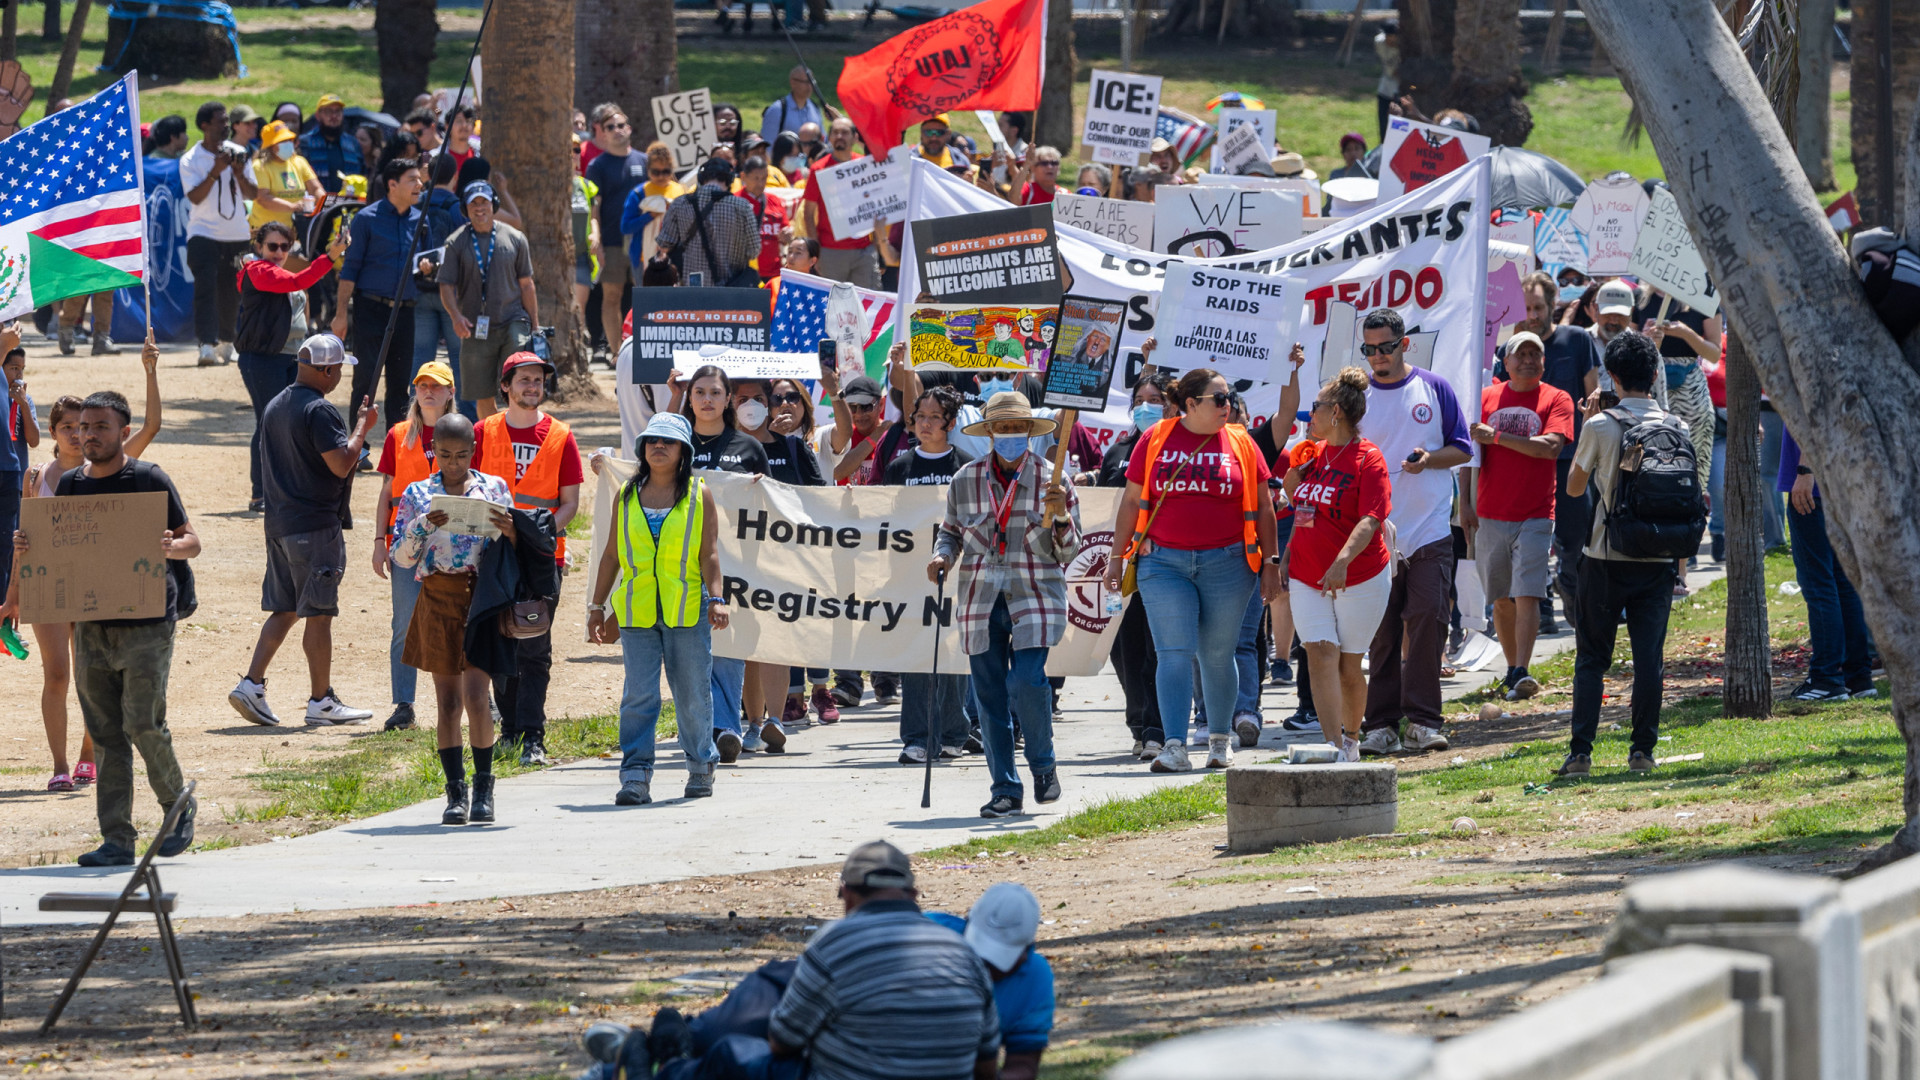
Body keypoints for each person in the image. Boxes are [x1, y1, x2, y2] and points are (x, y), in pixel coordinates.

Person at [7, 390, 202, 866]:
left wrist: (171, 548)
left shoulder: (148, 478)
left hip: (147, 623)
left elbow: (191, 540)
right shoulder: (71, 485)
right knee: (105, 730)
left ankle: (178, 810)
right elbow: (57, 551)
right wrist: (29, 545)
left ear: (123, 431)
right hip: (92, 624)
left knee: (141, 722)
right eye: (83, 427)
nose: (89, 435)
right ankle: (117, 839)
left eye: (100, 427)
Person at [1102, 367, 1281, 773]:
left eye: (1230, 398)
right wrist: (1116, 557)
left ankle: (1219, 739)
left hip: (1229, 564)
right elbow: (1131, 502)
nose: (1228, 405)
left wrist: (1271, 564)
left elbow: (1265, 506)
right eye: (1218, 399)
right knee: (1173, 654)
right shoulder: (1156, 438)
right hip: (1163, 563)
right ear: (1189, 404)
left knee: (1217, 654)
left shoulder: (1241, 442)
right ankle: (1174, 746)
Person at [5, 345, 162, 794]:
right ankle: (58, 766)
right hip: (49, 586)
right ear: (52, 432)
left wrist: (149, 370)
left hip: (96, 585)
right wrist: (13, 593)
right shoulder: (35, 478)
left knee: (92, 677)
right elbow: (26, 540)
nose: (77, 434)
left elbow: (151, 426)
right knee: (56, 674)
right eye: (67, 428)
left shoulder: (108, 467)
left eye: (82, 427)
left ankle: (87, 757)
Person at [930, 393, 1081, 818]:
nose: (1011, 435)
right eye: (1003, 428)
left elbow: (1070, 552)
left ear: (1029, 432)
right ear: (990, 432)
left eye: (1018, 428)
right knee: (989, 697)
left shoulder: (1055, 480)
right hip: (980, 598)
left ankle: (1044, 765)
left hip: (1035, 595)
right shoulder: (964, 478)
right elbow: (951, 533)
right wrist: (942, 556)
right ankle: (1004, 789)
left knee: (1028, 681)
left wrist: (1062, 517)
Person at [229, 334, 380, 728]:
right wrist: (362, 427)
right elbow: (342, 463)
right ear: (327, 370)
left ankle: (252, 683)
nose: (340, 377)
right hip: (315, 528)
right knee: (319, 614)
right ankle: (321, 701)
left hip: (279, 525)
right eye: (340, 370)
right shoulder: (320, 410)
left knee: (285, 608)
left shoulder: (276, 404)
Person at [588, 413, 727, 805]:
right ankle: (635, 776)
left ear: (683, 450)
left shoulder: (701, 494)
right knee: (639, 696)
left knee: (693, 695)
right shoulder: (627, 496)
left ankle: (701, 767)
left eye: (668, 442)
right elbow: (612, 554)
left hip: (688, 612)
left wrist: (717, 598)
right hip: (637, 613)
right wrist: (596, 607)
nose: (658, 447)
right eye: (651, 441)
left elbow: (710, 554)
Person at [1562, 331, 1681, 777]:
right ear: (1654, 375)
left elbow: (1575, 488)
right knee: (1649, 657)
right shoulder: (1676, 425)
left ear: (1611, 376)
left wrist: (1590, 426)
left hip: (1606, 554)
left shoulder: (1599, 425)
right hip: (1659, 555)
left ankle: (1581, 754)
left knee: (1593, 657)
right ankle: (1642, 752)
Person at [1356, 309, 1471, 756]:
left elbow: (1461, 448)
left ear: (1405, 344)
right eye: (1369, 349)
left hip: (1429, 532)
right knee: (1381, 633)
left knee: (1427, 621)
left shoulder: (1434, 387)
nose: (1378, 356)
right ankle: (1380, 724)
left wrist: (1428, 459)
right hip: (1373, 533)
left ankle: (1423, 721)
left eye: (1386, 347)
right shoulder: (1357, 393)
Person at [389, 413, 514, 825]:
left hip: (480, 598)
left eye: (462, 455)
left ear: (473, 451)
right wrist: (423, 527)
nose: (454, 463)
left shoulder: (492, 488)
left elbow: (514, 546)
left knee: (478, 695)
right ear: (434, 452)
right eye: (445, 455)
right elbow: (402, 557)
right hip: (439, 596)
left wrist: (508, 528)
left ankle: (484, 787)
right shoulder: (417, 494)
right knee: (447, 702)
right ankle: (454, 792)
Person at [474, 353, 582, 765]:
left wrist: (538, 534)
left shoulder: (561, 435)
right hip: (494, 556)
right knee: (501, 642)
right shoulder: (483, 431)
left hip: (542, 558)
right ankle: (510, 731)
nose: (532, 386)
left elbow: (570, 503)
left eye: (537, 380)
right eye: (524, 380)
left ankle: (532, 736)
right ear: (506, 385)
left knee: (535, 646)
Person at [1281, 368, 1393, 763]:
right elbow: (1305, 512)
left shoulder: (1368, 458)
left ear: (1337, 414)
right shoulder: (1313, 456)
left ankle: (1351, 738)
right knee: (1319, 652)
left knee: (1348, 662)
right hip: (1307, 574)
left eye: (1315, 408)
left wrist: (1343, 560)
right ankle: (1331, 749)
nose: (1309, 415)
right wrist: (1292, 548)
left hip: (1359, 575)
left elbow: (1371, 519)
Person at [1465, 330, 1573, 702]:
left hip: (1536, 512)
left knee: (1527, 591)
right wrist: (1464, 505)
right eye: (1520, 354)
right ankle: (1512, 670)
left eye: (1535, 354)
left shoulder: (1557, 398)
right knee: (1500, 598)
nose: (1528, 359)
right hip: (1490, 513)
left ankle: (1523, 669)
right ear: (1505, 362)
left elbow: (1550, 448)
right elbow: (1469, 456)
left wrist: (1495, 437)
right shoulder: (1484, 398)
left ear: (1543, 362)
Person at [1498, 272, 1602, 631]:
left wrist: (1595, 435)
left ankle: (1569, 584)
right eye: (1525, 307)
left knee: (1574, 537)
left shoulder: (1575, 341)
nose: (1531, 314)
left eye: (1538, 307)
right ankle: (1539, 609)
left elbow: (1594, 394)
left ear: (1553, 305)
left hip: (1570, 460)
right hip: (1523, 462)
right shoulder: (1508, 350)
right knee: (1530, 541)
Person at [672, 365, 767, 759]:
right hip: (679, 561)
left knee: (726, 644)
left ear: (729, 399)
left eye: (715, 392)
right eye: (699, 392)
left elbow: (770, 509)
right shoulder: (674, 445)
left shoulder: (748, 447)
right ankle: (705, 725)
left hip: (734, 564)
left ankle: (724, 727)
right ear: (689, 398)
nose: (707, 399)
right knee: (687, 650)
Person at [888, 386, 974, 765]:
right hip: (910, 577)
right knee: (917, 658)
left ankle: (955, 732)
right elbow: (884, 522)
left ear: (950, 423)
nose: (924, 424)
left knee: (954, 658)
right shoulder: (900, 467)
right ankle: (917, 737)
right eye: (919, 416)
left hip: (957, 577)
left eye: (934, 418)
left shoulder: (966, 467)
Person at [237, 220, 346, 512]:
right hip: (262, 359)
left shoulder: (282, 270)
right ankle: (260, 493)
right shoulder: (256, 270)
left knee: (290, 423)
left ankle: (284, 489)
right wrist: (331, 256)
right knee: (269, 422)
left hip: (290, 357)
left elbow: (300, 295)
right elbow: (299, 282)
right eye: (272, 246)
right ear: (258, 247)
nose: (279, 252)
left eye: (285, 247)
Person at [373, 362, 458, 732]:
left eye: (437, 386)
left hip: (455, 545)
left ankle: (478, 697)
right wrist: (380, 541)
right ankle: (404, 705)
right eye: (422, 385)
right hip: (407, 544)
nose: (428, 391)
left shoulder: (464, 432)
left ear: (450, 392)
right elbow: (385, 494)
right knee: (404, 626)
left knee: (460, 622)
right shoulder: (398, 434)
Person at [1100, 372, 1174, 759]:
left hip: (1162, 561)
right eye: (1140, 398)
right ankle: (1139, 720)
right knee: (1123, 648)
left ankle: (1156, 727)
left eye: (1155, 398)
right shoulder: (1116, 453)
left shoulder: (1176, 449)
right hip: (1121, 566)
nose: (1146, 405)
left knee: (1156, 649)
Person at [760, 376, 839, 729]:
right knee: (783, 620)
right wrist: (769, 436)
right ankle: (793, 695)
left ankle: (822, 689)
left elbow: (820, 492)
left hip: (805, 549)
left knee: (812, 619)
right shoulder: (753, 445)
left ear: (805, 404)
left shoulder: (799, 447)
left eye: (793, 397)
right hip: (767, 550)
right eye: (777, 399)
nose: (785, 404)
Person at [1779, 428, 1875, 702]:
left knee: (1820, 583)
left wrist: (1807, 470)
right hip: (1843, 482)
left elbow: (1817, 414)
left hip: (1816, 484)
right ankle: (1857, 676)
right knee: (1842, 582)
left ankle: (1826, 678)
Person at [334, 156, 426, 433]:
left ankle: (397, 451)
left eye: (420, 179)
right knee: (365, 381)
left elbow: (427, 264)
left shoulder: (422, 219)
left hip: (406, 311)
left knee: (400, 384)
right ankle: (356, 447)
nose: (420, 184)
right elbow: (350, 270)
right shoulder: (366, 219)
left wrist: (428, 267)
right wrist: (340, 315)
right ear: (392, 184)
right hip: (370, 309)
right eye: (412, 179)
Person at [438, 181, 537, 418]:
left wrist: (535, 324)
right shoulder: (456, 242)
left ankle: (519, 434)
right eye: (474, 203)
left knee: (519, 384)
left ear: (494, 205)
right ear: (465, 208)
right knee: (483, 394)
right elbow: (446, 285)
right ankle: (492, 442)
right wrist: (456, 316)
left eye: (484, 202)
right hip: (475, 327)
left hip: (513, 319)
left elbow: (526, 284)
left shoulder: (515, 238)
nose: (480, 208)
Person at [181, 100, 260, 368]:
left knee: (232, 291)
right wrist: (215, 172)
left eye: (227, 121)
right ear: (205, 125)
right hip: (203, 234)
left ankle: (228, 342)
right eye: (221, 121)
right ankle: (206, 344)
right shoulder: (191, 159)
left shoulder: (239, 153)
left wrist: (238, 173)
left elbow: (252, 194)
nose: (226, 126)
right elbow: (194, 196)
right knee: (205, 289)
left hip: (236, 233)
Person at [585, 104, 648, 352]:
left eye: (621, 125)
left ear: (629, 128)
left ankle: (644, 350)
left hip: (643, 243)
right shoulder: (597, 166)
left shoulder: (645, 161)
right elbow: (594, 208)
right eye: (610, 127)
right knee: (611, 297)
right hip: (611, 242)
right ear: (603, 132)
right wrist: (596, 236)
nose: (617, 130)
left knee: (644, 298)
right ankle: (616, 352)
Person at [415, 152, 469, 409]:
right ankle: (463, 416)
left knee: (421, 358)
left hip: (419, 289)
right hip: (453, 294)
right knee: (460, 359)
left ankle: (416, 414)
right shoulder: (458, 208)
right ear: (455, 177)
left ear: (427, 175)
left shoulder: (417, 204)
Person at [799, 119, 878, 288]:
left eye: (844, 132)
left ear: (855, 137)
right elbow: (808, 213)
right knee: (833, 308)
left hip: (864, 252)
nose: (839, 136)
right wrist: (817, 252)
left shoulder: (865, 165)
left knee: (866, 306)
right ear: (829, 137)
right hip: (830, 252)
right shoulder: (819, 169)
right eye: (835, 132)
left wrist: (878, 247)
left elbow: (876, 207)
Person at [656, 158, 759, 287]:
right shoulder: (742, 206)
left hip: (694, 287)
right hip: (732, 287)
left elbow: (664, 245)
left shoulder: (680, 204)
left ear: (701, 178)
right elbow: (754, 250)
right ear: (730, 180)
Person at [248, 120, 324, 234]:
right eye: (283, 141)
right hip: (265, 233)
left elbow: (315, 188)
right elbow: (263, 199)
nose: (288, 143)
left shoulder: (299, 161)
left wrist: (323, 201)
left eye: (290, 140)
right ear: (271, 146)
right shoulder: (260, 166)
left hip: (294, 231)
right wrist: (292, 206)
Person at [736, 156, 792, 283]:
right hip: (745, 272)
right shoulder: (735, 201)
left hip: (774, 273)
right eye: (756, 178)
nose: (760, 184)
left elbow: (786, 228)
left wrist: (788, 233)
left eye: (764, 178)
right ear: (743, 177)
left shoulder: (775, 201)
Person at [299, 93, 366, 195]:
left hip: (349, 202)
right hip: (316, 203)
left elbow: (362, 173)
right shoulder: (305, 142)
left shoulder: (353, 143)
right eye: (328, 111)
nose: (334, 116)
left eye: (338, 111)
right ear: (318, 115)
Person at [760, 66, 826, 142]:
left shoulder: (815, 109)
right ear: (793, 82)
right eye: (806, 82)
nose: (810, 86)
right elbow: (768, 144)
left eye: (812, 82)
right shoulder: (777, 110)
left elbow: (824, 141)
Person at [1374, 20, 1402, 138]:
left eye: (1392, 37)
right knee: (1383, 125)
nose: (1389, 41)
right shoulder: (1379, 42)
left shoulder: (1403, 48)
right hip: (1385, 88)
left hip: (1399, 90)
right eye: (1387, 37)